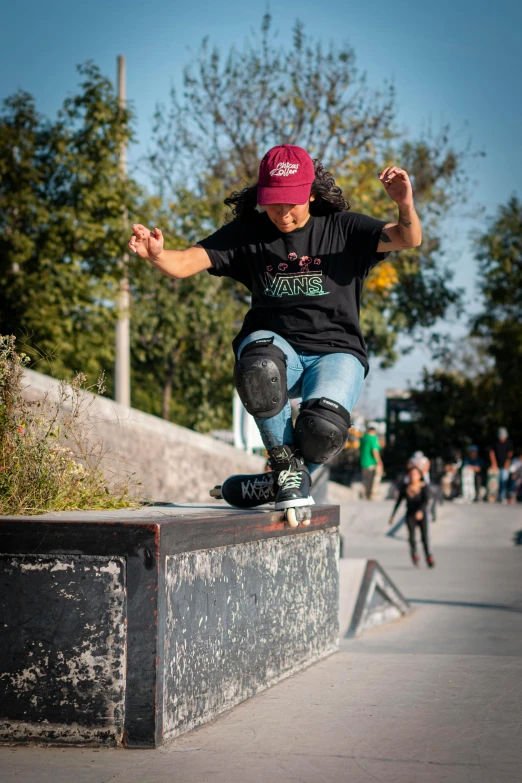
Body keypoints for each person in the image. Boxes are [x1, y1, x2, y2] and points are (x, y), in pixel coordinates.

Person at [128, 144, 422, 522]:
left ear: (311, 193)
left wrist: (405, 204)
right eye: (273, 203)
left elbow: (407, 238)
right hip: (275, 345)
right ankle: (284, 466)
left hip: (336, 351)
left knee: (323, 429)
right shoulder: (249, 233)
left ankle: (281, 483)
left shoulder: (344, 229)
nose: (282, 214)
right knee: (259, 368)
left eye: (291, 203)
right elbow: (186, 261)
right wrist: (156, 255)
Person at [389, 466, 435, 567]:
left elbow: (426, 501)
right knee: (411, 538)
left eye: (415, 474)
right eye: (411, 474)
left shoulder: (424, 487)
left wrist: (420, 511)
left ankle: (428, 557)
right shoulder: (405, 487)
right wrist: (392, 516)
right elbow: (399, 502)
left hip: (422, 514)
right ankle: (414, 555)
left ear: (419, 476)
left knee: (424, 538)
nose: (413, 476)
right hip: (410, 514)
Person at [489, 428, 514, 503]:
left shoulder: (509, 443)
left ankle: (502, 496)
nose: (501, 438)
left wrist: (507, 462)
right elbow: (491, 452)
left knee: (504, 480)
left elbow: (510, 453)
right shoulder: (495, 443)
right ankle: (494, 496)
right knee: (495, 481)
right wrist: (494, 463)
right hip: (496, 465)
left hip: (505, 465)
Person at [359, 424, 383, 500]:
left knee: (366, 479)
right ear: (373, 431)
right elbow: (375, 450)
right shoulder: (373, 438)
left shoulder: (363, 438)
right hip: (372, 462)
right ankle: (372, 495)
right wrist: (379, 461)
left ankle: (364, 494)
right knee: (375, 479)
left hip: (364, 462)